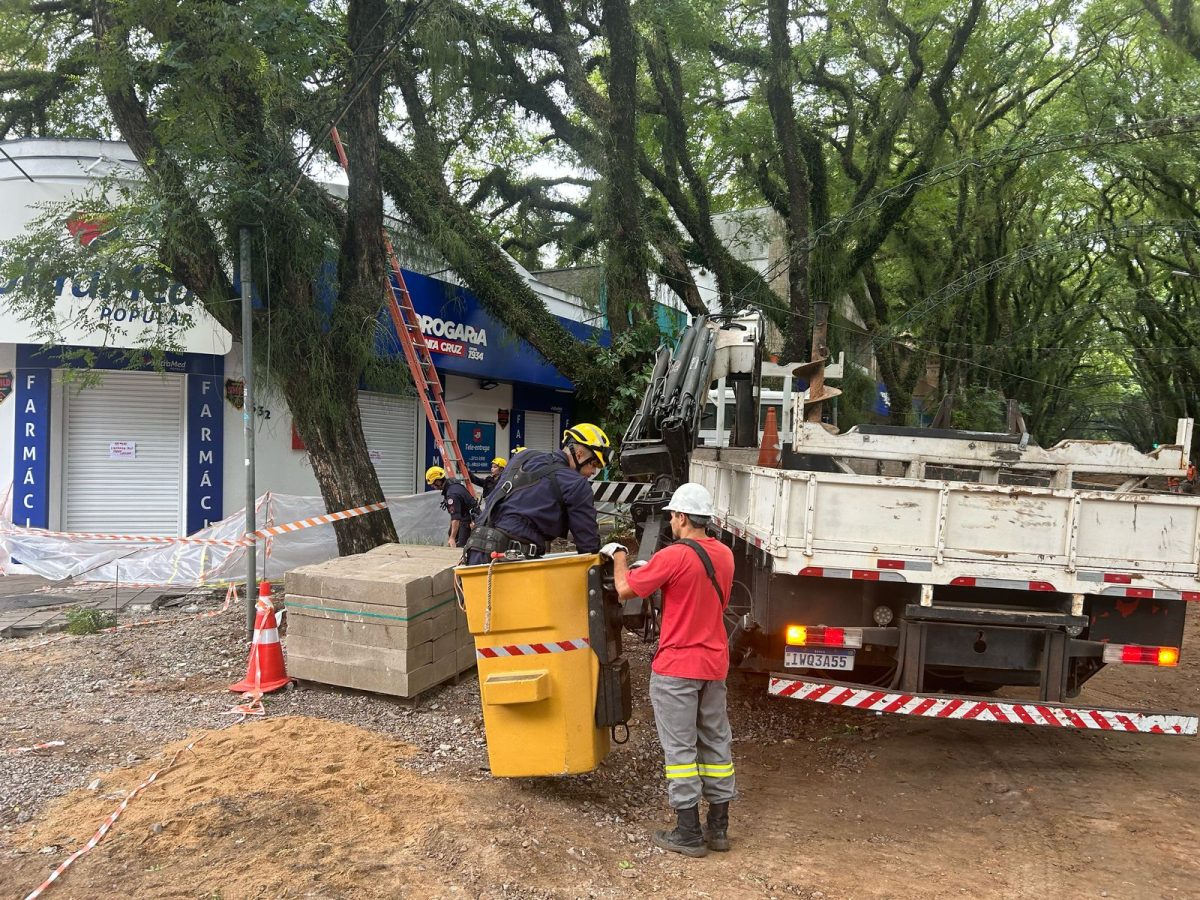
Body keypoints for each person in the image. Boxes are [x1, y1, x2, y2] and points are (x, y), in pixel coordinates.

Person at [604, 482, 736, 858]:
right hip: (714, 665)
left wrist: (618, 555)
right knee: (715, 743)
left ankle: (688, 833)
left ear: (680, 517)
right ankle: (719, 829)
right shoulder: (724, 555)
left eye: (673, 517)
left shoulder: (673, 555)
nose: (672, 523)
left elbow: (626, 590)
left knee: (680, 751)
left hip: (678, 666)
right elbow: (712, 596)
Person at [463, 424, 610, 565]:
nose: (593, 472)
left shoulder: (524, 456)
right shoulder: (576, 483)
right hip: (510, 562)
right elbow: (588, 545)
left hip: (475, 547)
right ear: (579, 454)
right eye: (594, 464)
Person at [426, 465, 475, 549]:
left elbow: (456, 518)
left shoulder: (452, 494)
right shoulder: (453, 485)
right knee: (451, 535)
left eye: (433, 484)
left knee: (460, 547)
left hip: (468, 521)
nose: (432, 487)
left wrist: (452, 538)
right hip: (467, 518)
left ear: (438, 481)